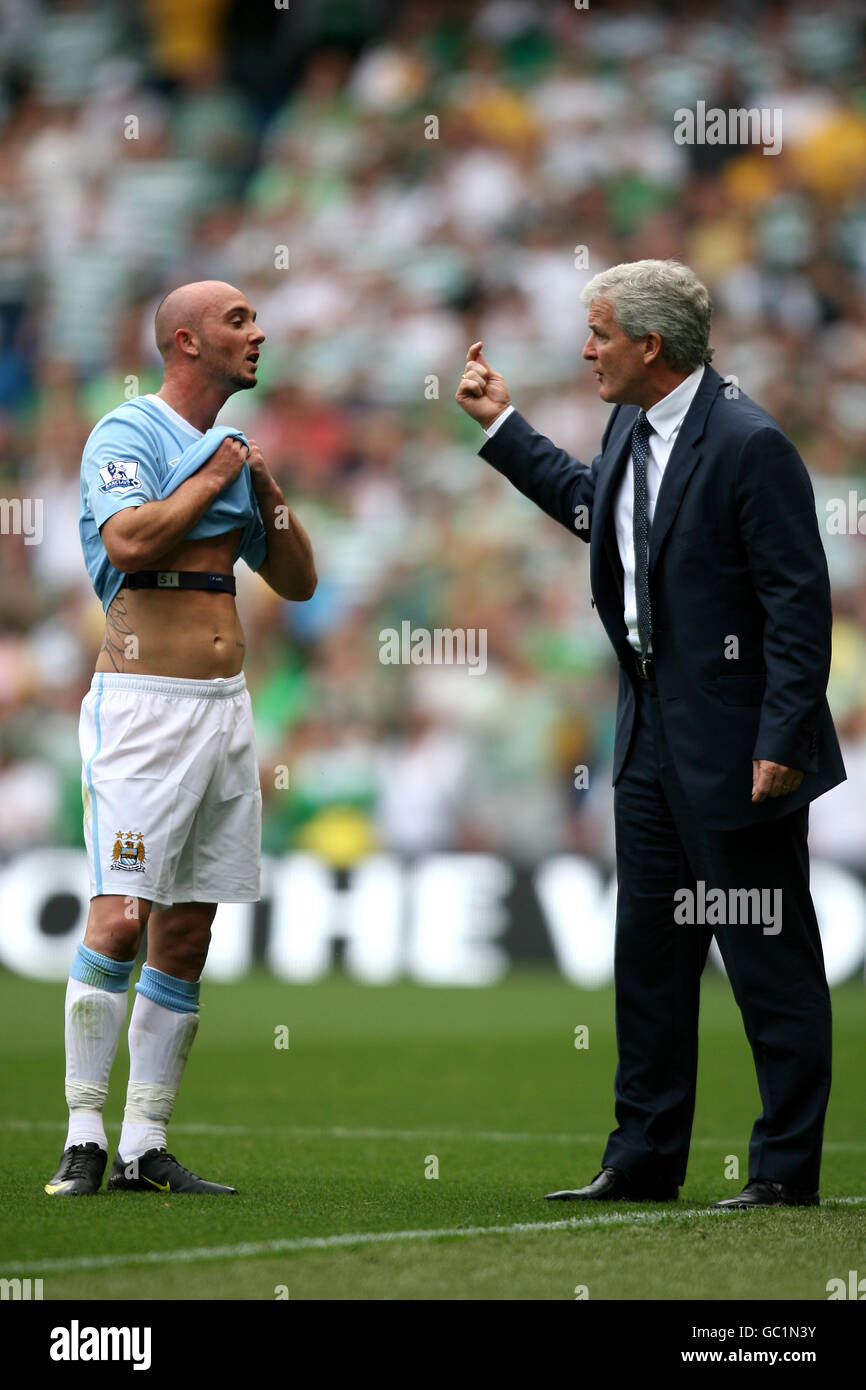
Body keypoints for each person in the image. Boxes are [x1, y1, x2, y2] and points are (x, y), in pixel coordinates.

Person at [456, 259, 845, 1209]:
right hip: (646, 743)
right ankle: (643, 1158)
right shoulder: (631, 423)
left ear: (650, 346)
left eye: (598, 334)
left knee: (766, 959)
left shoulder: (751, 444)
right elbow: (599, 514)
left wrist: (782, 741)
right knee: (651, 959)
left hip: (740, 749)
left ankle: (785, 1171)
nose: (585, 350)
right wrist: (504, 429)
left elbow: (799, 606)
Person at [45, 280, 316, 1196]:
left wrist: (267, 490)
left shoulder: (241, 458)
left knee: (187, 931)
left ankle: (142, 1147)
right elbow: (127, 544)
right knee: (122, 915)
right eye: (239, 321)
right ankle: (82, 1131)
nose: (259, 332)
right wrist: (214, 475)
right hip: (142, 709)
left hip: (224, 709)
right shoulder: (128, 434)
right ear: (185, 342)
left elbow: (300, 579)